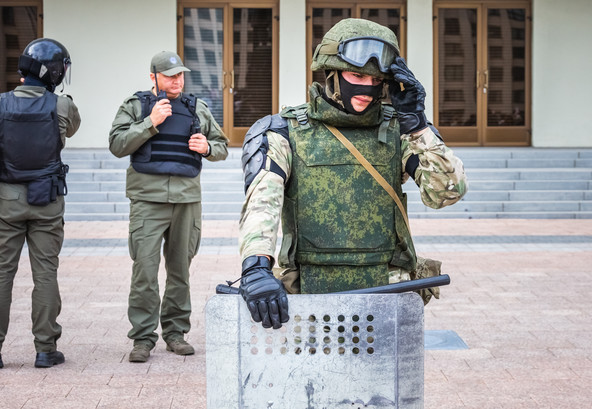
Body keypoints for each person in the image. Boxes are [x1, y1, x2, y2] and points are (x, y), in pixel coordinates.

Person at [238, 19, 468, 329]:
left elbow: (445, 193)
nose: (367, 87)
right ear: (331, 72)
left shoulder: (402, 131)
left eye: (376, 80)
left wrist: (417, 125)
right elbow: (262, 203)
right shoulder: (283, 131)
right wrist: (256, 266)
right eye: (357, 75)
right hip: (309, 293)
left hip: (387, 290)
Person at [109, 51, 228, 362]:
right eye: (170, 75)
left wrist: (208, 148)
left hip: (186, 200)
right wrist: (150, 123)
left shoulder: (196, 107)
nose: (177, 81)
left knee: (180, 272)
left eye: (180, 75)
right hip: (147, 200)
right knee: (144, 272)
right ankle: (143, 339)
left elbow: (223, 146)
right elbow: (117, 144)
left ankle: (175, 333)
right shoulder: (135, 106)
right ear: (153, 77)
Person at [0, 38, 80, 368]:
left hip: (7, 198)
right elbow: (72, 129)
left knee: (3, 273)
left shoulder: (2, 103)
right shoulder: (61, 105)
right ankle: (45, 349)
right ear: (55, 71)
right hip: (46, 199)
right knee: (45, 273)